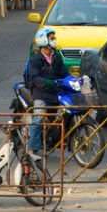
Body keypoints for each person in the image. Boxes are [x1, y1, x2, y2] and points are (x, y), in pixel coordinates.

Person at [26, 27, 69, 156]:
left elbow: (64, 74)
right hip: (40, 93)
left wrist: (75, 80)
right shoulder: (35, 60)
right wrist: (47, 82)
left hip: (55, 93)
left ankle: (60, 140)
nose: (54, 41)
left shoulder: (56, 57)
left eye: (54, 38)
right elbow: (35, 77)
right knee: (39, 118)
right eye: (51, 38)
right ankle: (31, 149)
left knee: (65, 113)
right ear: (44, 41)